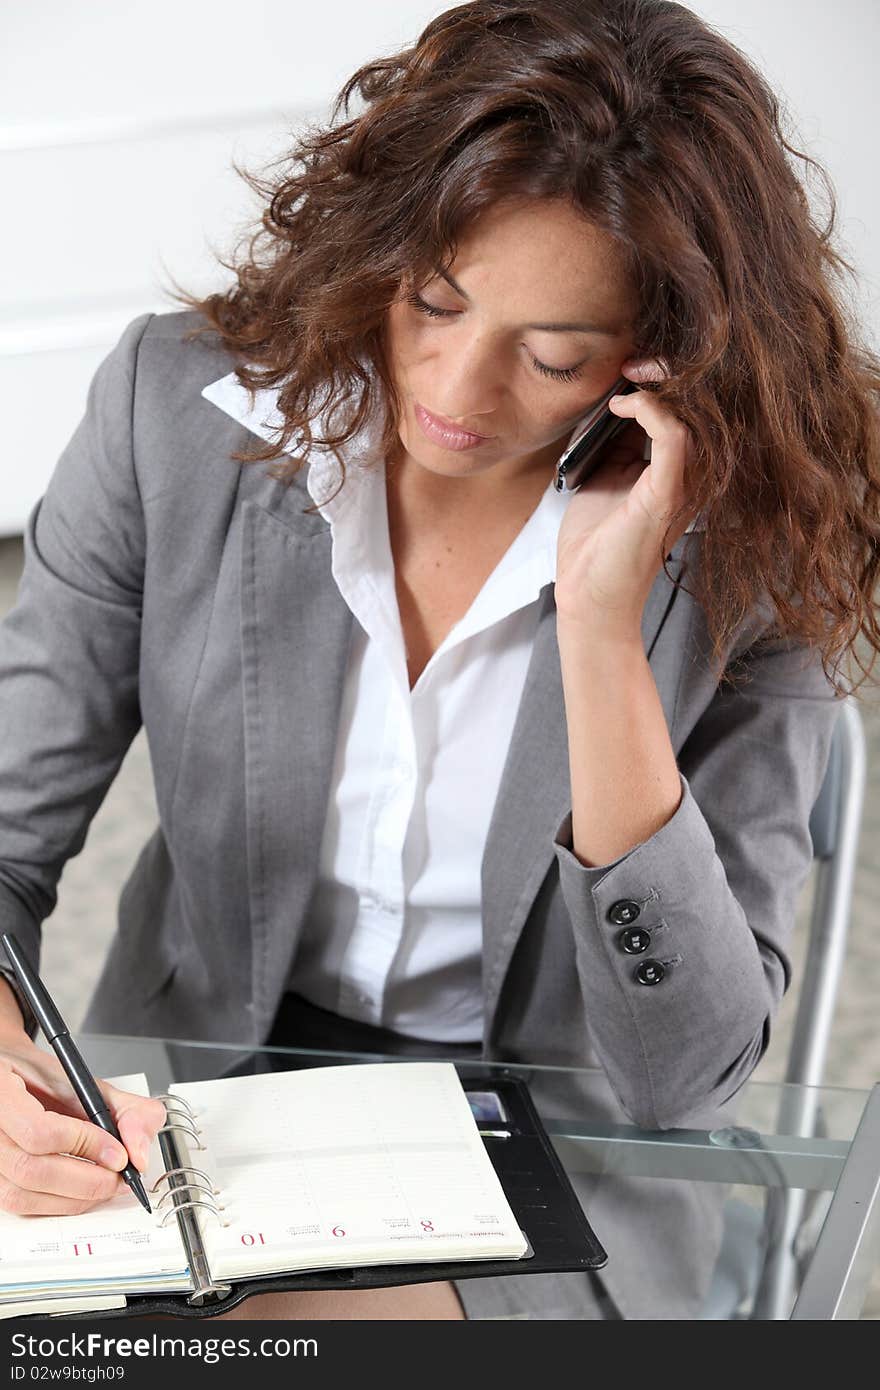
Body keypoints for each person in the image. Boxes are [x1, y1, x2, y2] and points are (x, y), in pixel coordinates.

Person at [1, 0, 878, 1321]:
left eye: (554, 352)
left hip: (563, 1148)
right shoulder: (171, 417)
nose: (458, 394)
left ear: (664, 355)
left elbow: (679, 1079)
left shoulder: (758, 543)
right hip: (204, 1095)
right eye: (436, 299)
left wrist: (600, 629)